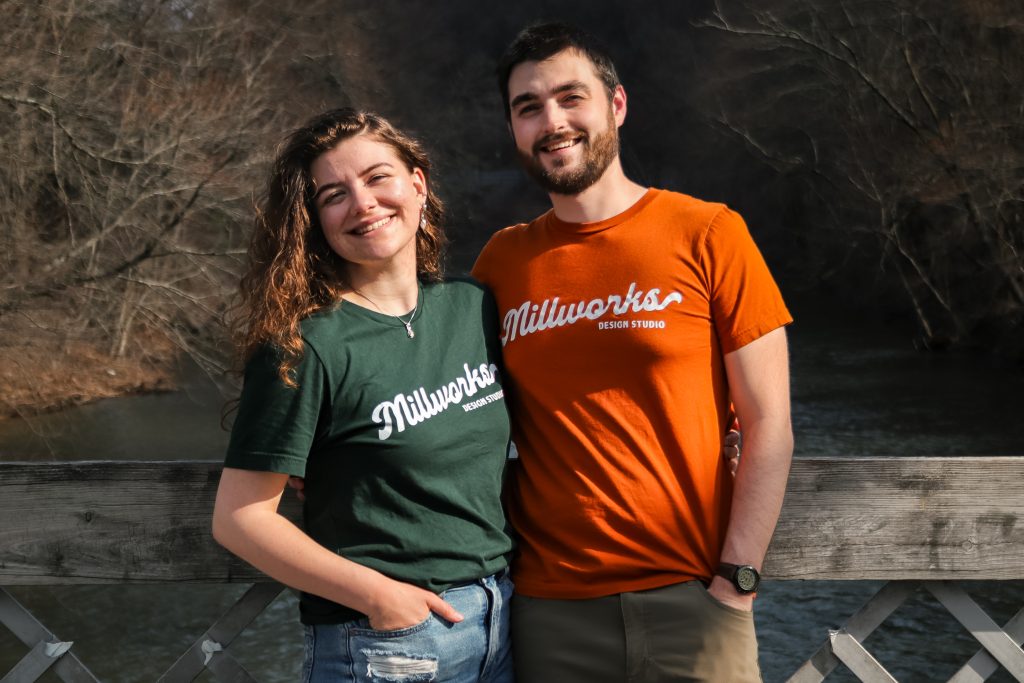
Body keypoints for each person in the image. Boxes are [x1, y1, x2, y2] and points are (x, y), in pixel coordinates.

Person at [470, 22, 794, 682]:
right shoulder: (501, 262)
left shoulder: (710, 232)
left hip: (696, 601)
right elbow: (451, 409)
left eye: (570, 97)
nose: (551, 122)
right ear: (513, 128)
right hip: (549, 613)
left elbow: (770, 424)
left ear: (616, 105)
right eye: (528, 107)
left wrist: (737, 581)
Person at [211, 108, 515, 683]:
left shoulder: (472, 308)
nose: (363, 203)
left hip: (503, 621)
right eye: (334, 194)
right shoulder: (305, 345)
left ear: (417, 184)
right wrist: (380, 597)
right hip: (390, 643)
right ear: (315, 221)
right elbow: (240, 518)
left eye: (379, 177)